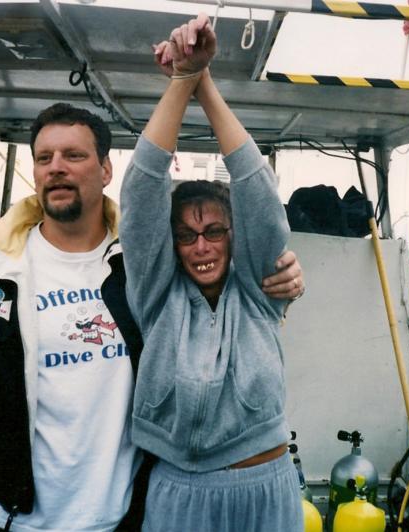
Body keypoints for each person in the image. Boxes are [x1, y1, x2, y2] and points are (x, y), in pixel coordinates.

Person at [0, 101, 305, 529]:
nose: (56, 167)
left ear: (107, 171)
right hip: (7, 514)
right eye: (44, 157)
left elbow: (239, 261)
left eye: (74, 155)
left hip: (120, 515)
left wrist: (285, 277)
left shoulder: (138, 270)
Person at [119, 14, 303, 531]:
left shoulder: (262, 289)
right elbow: (140, 192)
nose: (201, 246)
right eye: (186, 234)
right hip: (182, 494)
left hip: (267, 491)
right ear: (171, 245)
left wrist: (204, 82)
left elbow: (259, 193)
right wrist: (182, 81)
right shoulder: (155, 295)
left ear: (235, 237)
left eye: (215, 231)